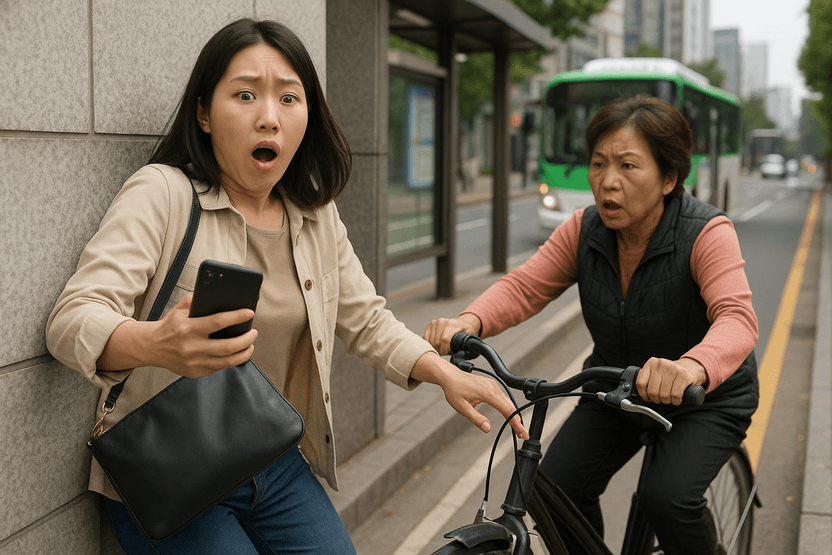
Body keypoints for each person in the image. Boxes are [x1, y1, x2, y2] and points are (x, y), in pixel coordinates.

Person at [46, 18, 526, 555]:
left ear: (308, 115)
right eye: (245, 95)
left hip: (269, 459)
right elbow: (72, 317)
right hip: (170, 468)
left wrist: (443, 373)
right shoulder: (162, 193)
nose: (268, 118)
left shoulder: (315, 214)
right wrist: (156, 343)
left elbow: (366, 319)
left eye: (289, 98)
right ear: (204, 113)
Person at [424, 94, 759, 555]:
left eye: (627, 166)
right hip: (616, 387)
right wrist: (468, 320)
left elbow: (737, 319)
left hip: (705, 397)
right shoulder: (584, 230)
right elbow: (526, 286)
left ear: (669, 178)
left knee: (668, 499)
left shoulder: (705, 232)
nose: (608, 182)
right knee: (552, 487)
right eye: (599, 164)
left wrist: (692, 367)